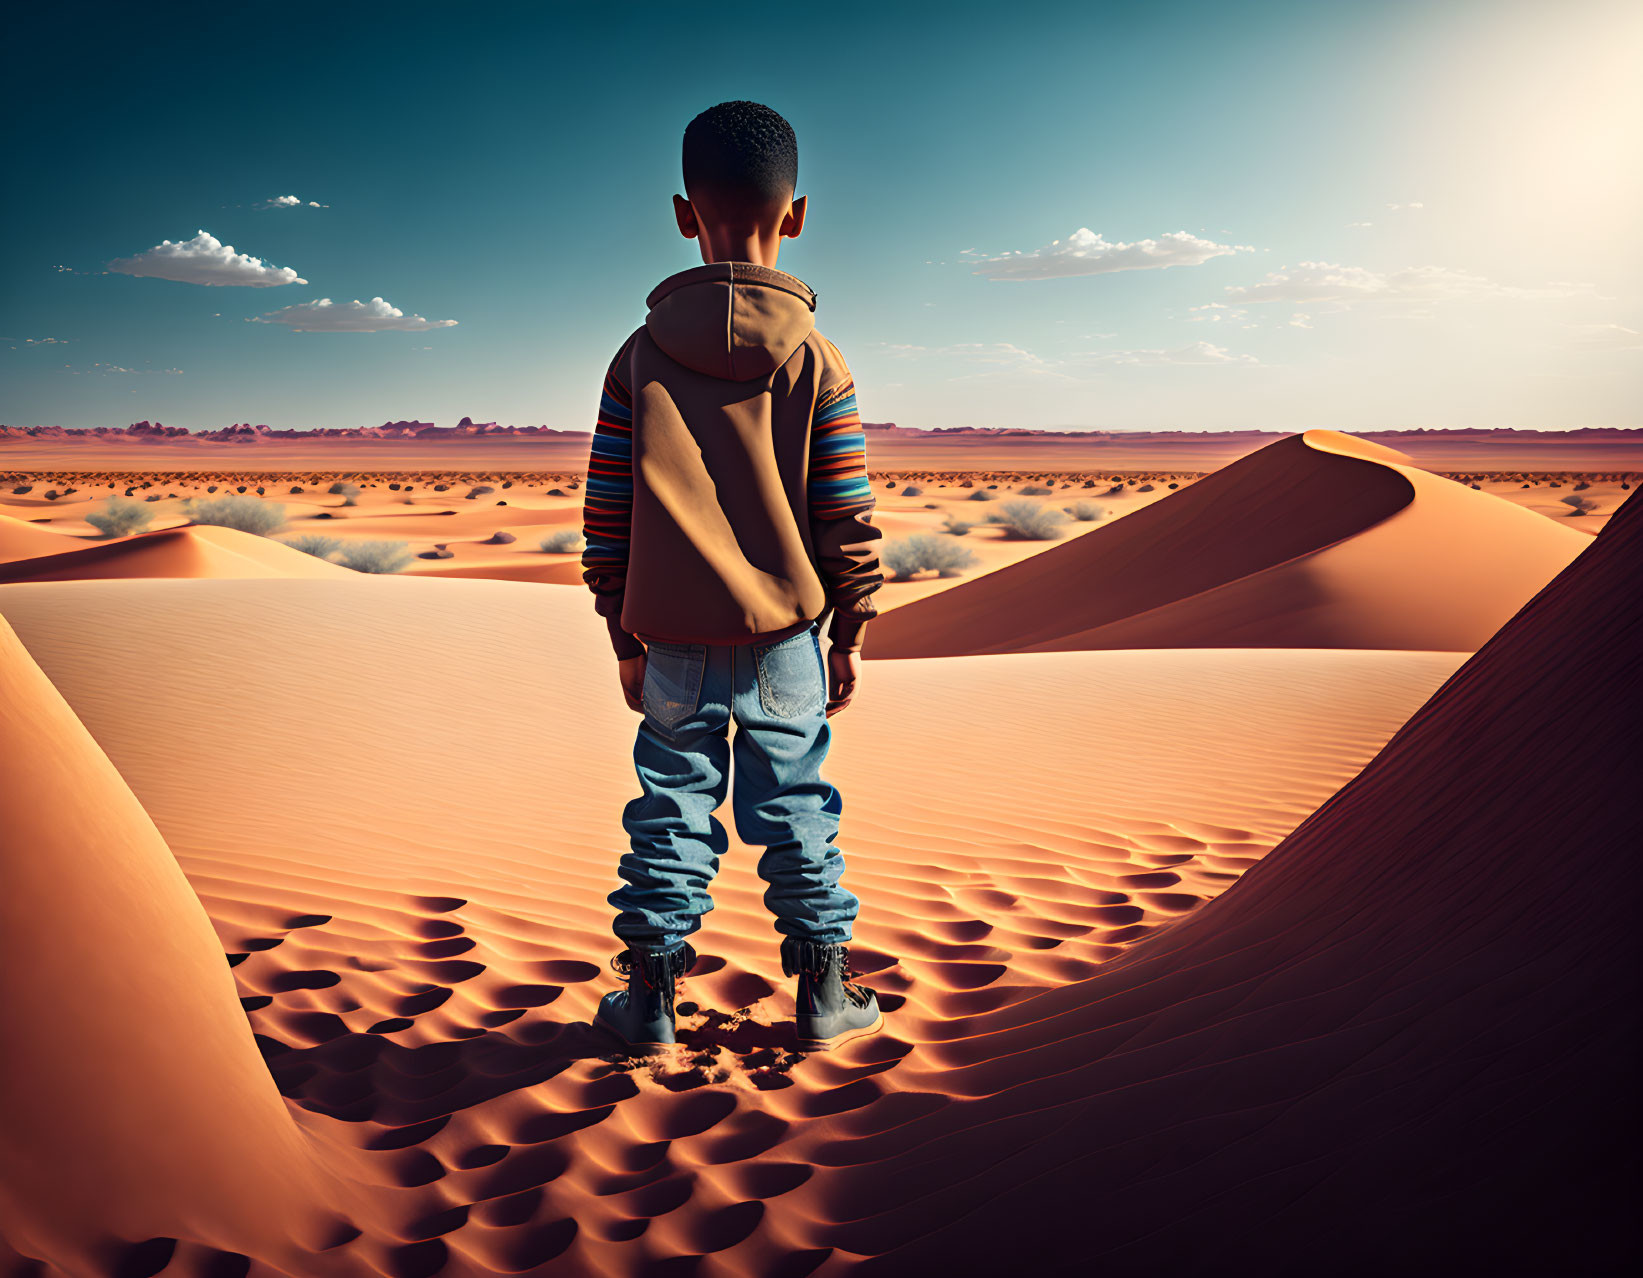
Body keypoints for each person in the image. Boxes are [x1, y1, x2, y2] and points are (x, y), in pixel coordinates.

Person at [580, 100, 885, 1053]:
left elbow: (606, 517)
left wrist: (619, 631)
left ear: (682, 214)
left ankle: (652, 1004)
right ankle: (825, 995)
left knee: (669, 807)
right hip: (787, 636)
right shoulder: (818, 359)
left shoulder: (635, 360)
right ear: (796, 215)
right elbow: (846, 513)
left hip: (669, 634)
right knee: (796, 808)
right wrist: (852, 629)